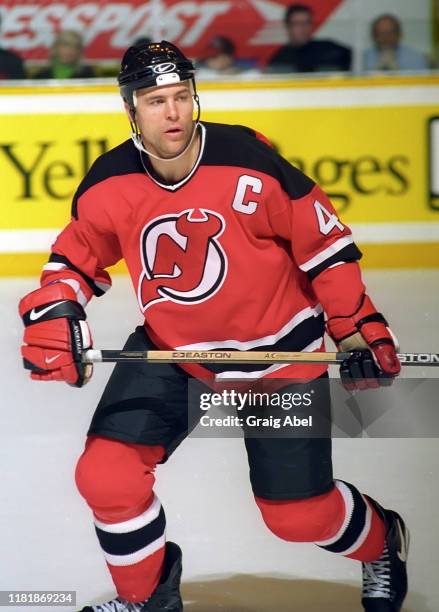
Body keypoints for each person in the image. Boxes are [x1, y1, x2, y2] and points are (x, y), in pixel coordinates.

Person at [18, 41, 409, 612]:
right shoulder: (108, 182)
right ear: (131, 109)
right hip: (175, 354)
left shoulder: (246, 159)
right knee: (106, 476)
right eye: (156, 101)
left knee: (298, 517)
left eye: (181, 97)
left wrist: (355, 326)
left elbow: (323, 245)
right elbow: (74, 260)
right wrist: (56, 311)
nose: (173, 113)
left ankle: (381, 542)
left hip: (278, 363)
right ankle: (147, 597)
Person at [267, 3, 351, 73]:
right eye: (297, 23)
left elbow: (358, 61)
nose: (303, 28)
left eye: (307, 23)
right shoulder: (280, 59)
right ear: (288, 26)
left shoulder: (329, 48)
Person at [364, 14, 428, 72]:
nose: (385, 38)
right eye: (381, 33)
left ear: (399, 34)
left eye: (390, 33)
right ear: (373, 36)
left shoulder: (416, 59)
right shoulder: (363, 59)